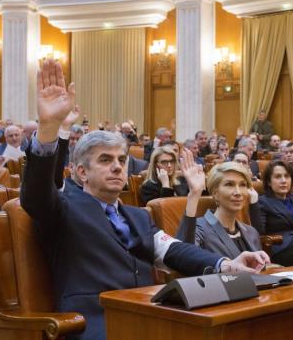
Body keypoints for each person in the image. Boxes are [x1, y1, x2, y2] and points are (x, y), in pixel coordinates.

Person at [21, 60, 266, 340]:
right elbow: (36, 193)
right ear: (82, 172)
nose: (117, 167)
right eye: (105, 160)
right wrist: (49, 128)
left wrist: (227, 264)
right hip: (94, 323)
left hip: (150, 315)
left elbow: (175, 251)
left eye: (121, 160)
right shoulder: (63, 208)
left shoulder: (139, 216)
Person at [177, 150, 269, 260]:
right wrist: (194, 194)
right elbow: (183, 257)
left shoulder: (251, 232)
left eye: (243, 185)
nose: (238, 192)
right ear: (215, 193)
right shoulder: (198, 228)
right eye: (229, 184)